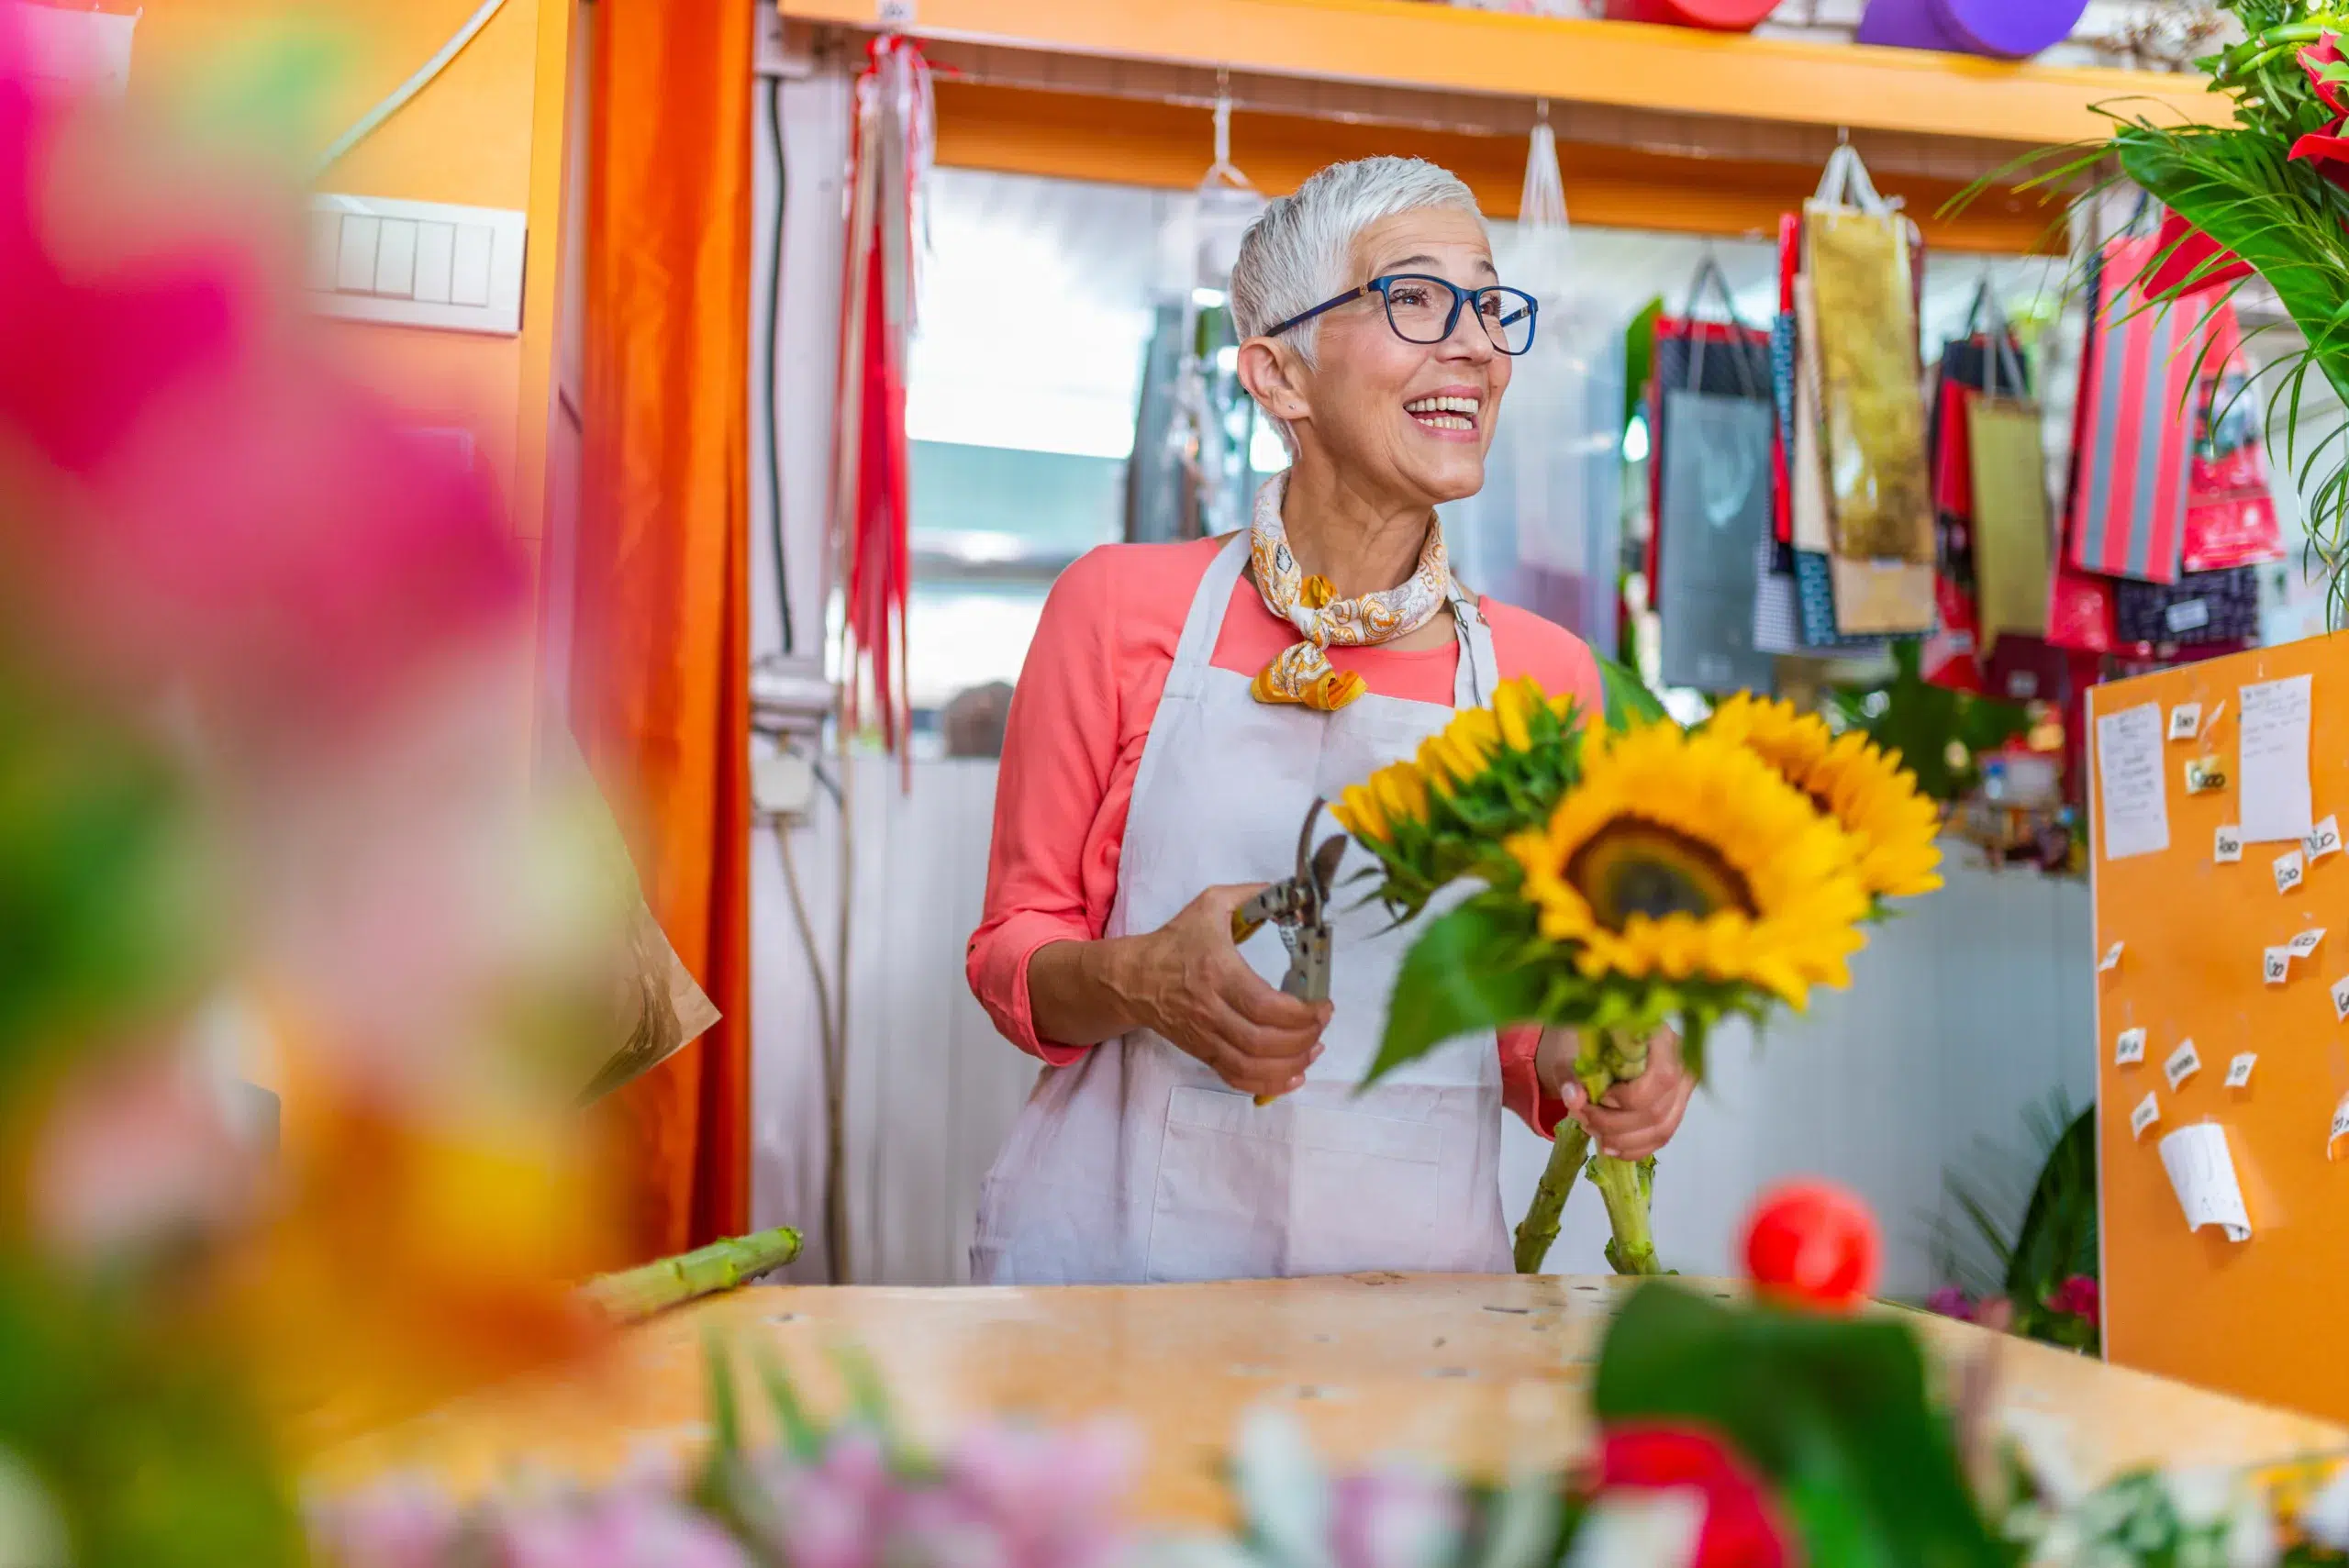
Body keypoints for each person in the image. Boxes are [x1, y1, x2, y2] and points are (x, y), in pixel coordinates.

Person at [964, 157, 1692, 1285]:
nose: (1475, 346)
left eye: (1489, 305)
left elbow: (1516, 1029)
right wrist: (1140, 976)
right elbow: (1014, 948)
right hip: (1118, 1275)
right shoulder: (1114, 607)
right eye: (1413, 298)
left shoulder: (1543, 678)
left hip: (1417, 1303)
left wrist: (1593, 1056)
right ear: (1278, 375)